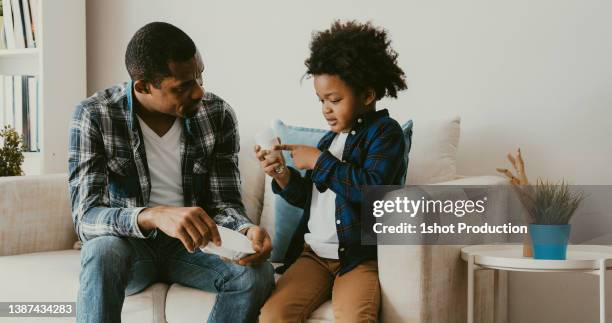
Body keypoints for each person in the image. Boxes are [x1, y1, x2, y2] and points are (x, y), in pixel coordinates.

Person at [69, 22, 274, 323]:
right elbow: (85, 217)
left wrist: (245, 230)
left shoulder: (217, 114)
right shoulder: (94, 115)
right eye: (182, 87)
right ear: (143, 87)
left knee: (256, 275)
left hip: (193, 246)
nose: (199, 92)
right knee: (102, 252)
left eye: (199, 76)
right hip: (129, 246)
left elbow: (225, 202)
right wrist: (154, 215)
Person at [257, 20, 409, 322]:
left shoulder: (386, 134)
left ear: (367, 95)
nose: (326, 109)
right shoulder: (329, 141)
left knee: (356, 318)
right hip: (312, 256)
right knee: (272, 316)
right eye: (322, 101)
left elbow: (372, 192)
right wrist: (283, 175)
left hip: (357, 257)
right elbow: (311, 199)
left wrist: (318, 162)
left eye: (335, 100)